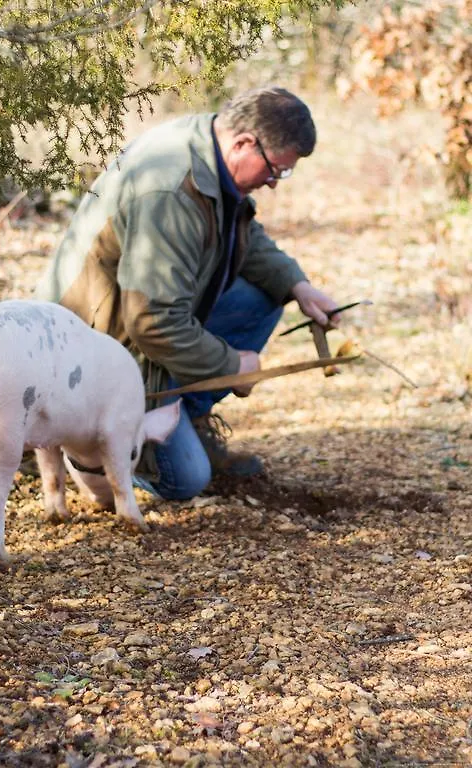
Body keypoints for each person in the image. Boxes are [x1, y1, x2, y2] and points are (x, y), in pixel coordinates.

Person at [36, 86, 340, 500]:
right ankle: (85, 448)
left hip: (136, 322)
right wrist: (232, 364)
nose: (274, 183)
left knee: (265, 297)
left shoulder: (210, 145)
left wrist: (298, 286)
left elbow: (241, 233)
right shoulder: (171, 191)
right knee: (186, 479)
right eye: (275, 170)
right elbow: (153, 323)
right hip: (98, 349)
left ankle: (187, 416)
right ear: (245, 143)